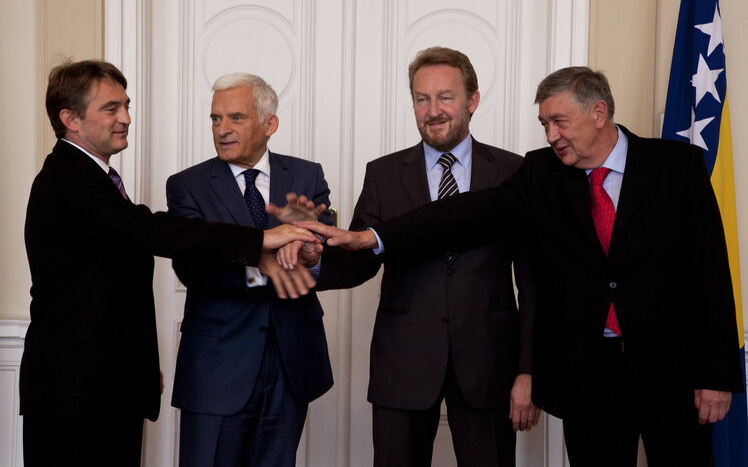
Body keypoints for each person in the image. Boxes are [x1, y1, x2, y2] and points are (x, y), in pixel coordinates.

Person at [300, 66, 744, 466]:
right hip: (589, 378)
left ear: (599, 113)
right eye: (544, 124)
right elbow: (464, 213)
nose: (550, 136)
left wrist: (717, 374)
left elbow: (709, 273)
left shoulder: (675, 167)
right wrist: (372, 237)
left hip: (673, 373)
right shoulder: (541, 174)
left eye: (559, 122)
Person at [21, 60, 318, 467]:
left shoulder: (93, 178)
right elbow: (157, 232)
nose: (126, 118)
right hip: (75, 393)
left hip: (106, 385)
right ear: (69, 118)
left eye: (126, 106)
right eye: (111, 109)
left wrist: (144, 366)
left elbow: (114, 286)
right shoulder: (70, 180)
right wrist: (263, 240)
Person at [282, 47, 538, 466]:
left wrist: (527, 371)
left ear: (472, 101)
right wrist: (317, 256)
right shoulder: (384, 174)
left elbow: (531, 283)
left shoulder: (513, 172)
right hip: (404, 363)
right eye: (422, 99)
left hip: (490, 365)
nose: (432, 110)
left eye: (445, 97)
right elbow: (361, 259)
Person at [166, 73, 334, 467]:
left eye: (235, 118)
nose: (222, 130)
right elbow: (194, 269)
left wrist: (314, 256)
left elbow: (324, 250)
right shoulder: (188, 186)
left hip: (292, 362)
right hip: (217, 367)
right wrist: (266, 268)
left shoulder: (307, 176)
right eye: (215, 119)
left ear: (269, 124)